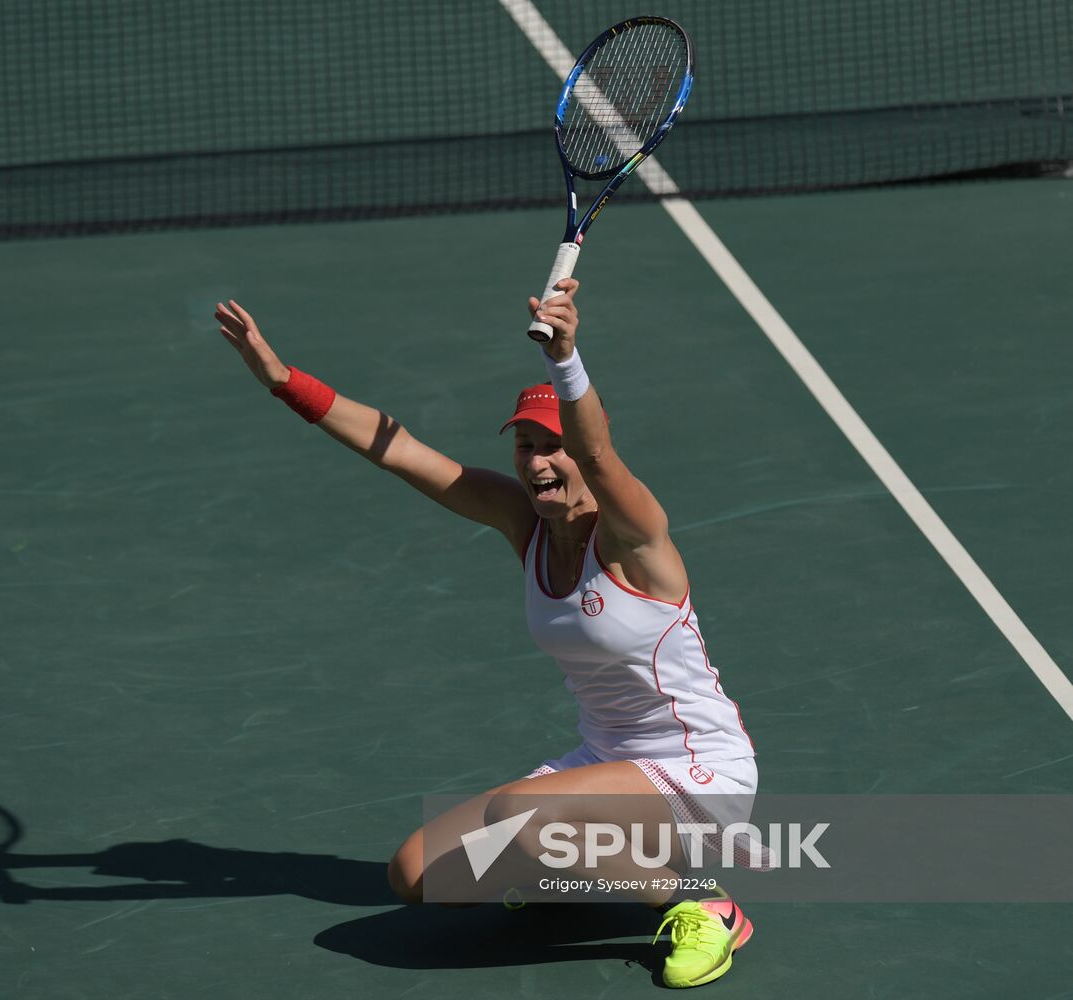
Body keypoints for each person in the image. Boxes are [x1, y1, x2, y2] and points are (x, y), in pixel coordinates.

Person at [213, 279, 757, 989]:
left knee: (523, 817)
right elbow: (402, 451)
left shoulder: (633, 538)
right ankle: (588, 862)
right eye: (526, 446)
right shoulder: (523, 525)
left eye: (551, 446)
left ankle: (699, 909)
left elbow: (597, 457)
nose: (536, 463)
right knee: (415, 874)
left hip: (700, 776)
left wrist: (566, 359)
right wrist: (286, 382)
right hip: (604, 767)